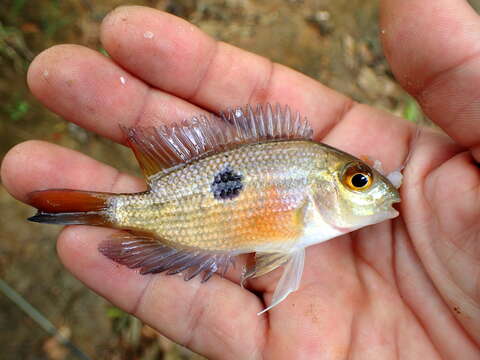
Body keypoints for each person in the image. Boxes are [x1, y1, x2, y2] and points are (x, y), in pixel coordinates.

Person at [2, 2, 480, 358]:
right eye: (359, 181)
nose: (374, 190)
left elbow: (279, 249)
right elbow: (279, 248)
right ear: (324, 186)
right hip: (184, 208)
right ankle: (104, 210)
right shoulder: (307, 182)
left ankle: (100, 211)